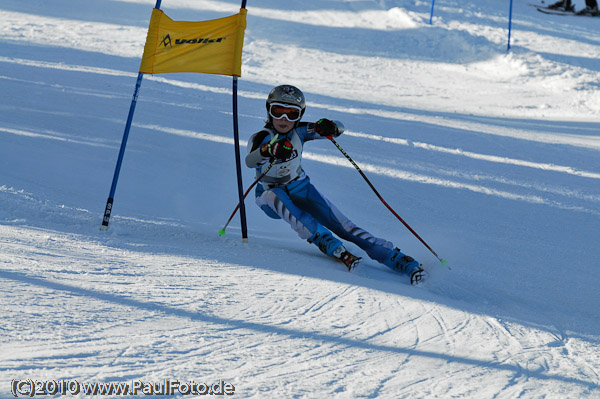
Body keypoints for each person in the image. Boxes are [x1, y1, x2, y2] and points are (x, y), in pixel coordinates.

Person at [245, 84, 427, 285]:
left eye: (292, 113)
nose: (284, 119)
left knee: (344, 225)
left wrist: (330, 127)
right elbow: (250, 161)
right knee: (285, 204)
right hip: (269, 193)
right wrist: (268, 151)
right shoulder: (262, 137)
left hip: (300, 186)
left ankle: (393, 256)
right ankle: (327, 242)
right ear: (269, 110)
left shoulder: (301, 131)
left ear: (300, 114)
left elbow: (339, 128)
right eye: (278, 111)